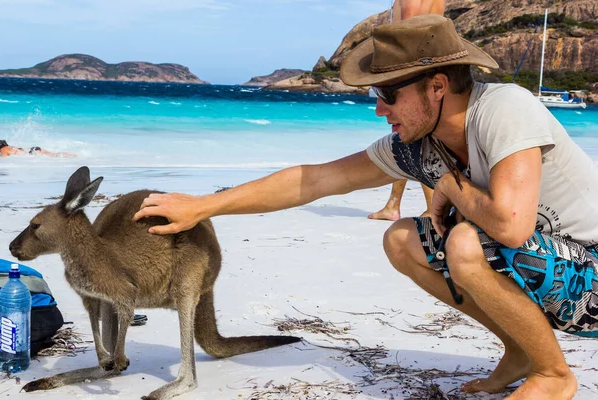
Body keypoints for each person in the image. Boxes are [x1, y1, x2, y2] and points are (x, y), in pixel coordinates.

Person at [133, 15, 598, 400]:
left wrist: (451, 186)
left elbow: (512, 228)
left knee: (462, 240)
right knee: (402, 240)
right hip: (546, 276)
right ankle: (519, 348)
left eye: (388, 94)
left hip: (592, 279)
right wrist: (203, 206)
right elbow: (314, 180)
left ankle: (554, 375)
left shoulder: (503, 108)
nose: (379, 110)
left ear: (437, 86)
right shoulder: (419, 143)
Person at [368, 0, 445, 221]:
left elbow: (407, 36)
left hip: (410, 77)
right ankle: (394, 204)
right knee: (404, 139)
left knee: (414, 141)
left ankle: (432, 209)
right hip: (424, 74)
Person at [0, 140, 76, 158]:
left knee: (55, 156)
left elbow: (3, 158)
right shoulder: (11, 147)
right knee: (54, 155)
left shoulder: (3, 149)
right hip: (33, 149)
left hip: (33, 152)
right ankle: (74, 155)